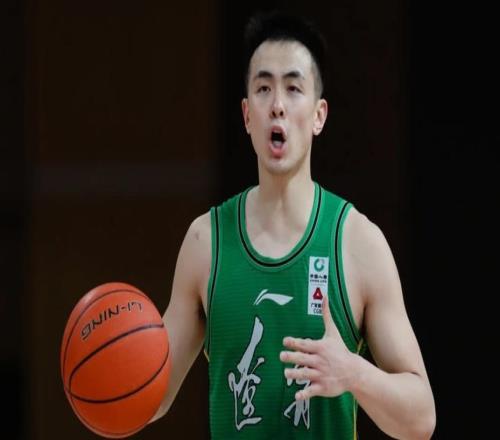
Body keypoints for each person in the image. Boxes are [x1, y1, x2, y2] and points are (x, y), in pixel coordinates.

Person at [150, 10, 436, 439]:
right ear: (247, 116)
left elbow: (421, 419)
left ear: (319, 116)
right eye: (263, 88)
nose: (278, 105)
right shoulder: (205, 242)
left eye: (293, 87)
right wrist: (106, 379)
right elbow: (150, 397)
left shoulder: (358, 243)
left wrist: (353, 373)